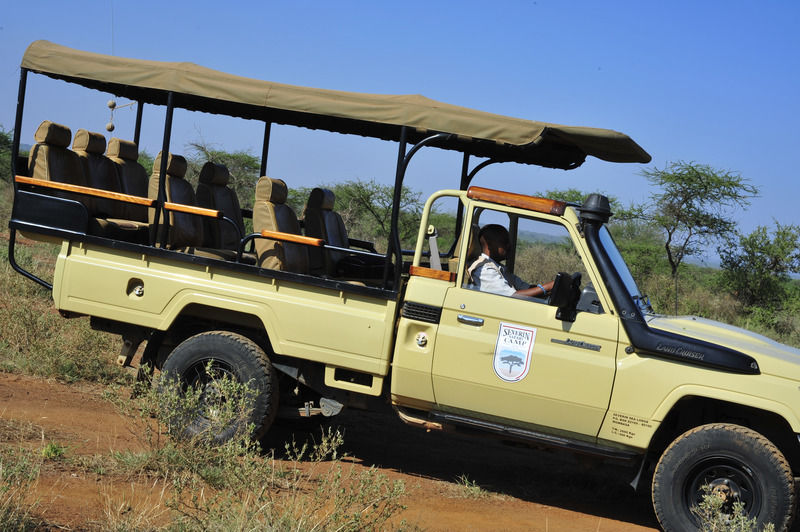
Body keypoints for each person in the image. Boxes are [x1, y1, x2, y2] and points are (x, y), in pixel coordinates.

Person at [467, 224, 555, 298]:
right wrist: (546, 287)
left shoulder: (498, 267)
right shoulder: (484, 270)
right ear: (490, 244)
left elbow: (525, 287)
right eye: (504, 242)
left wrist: (548, 289)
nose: (509, 246)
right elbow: (513, 296)